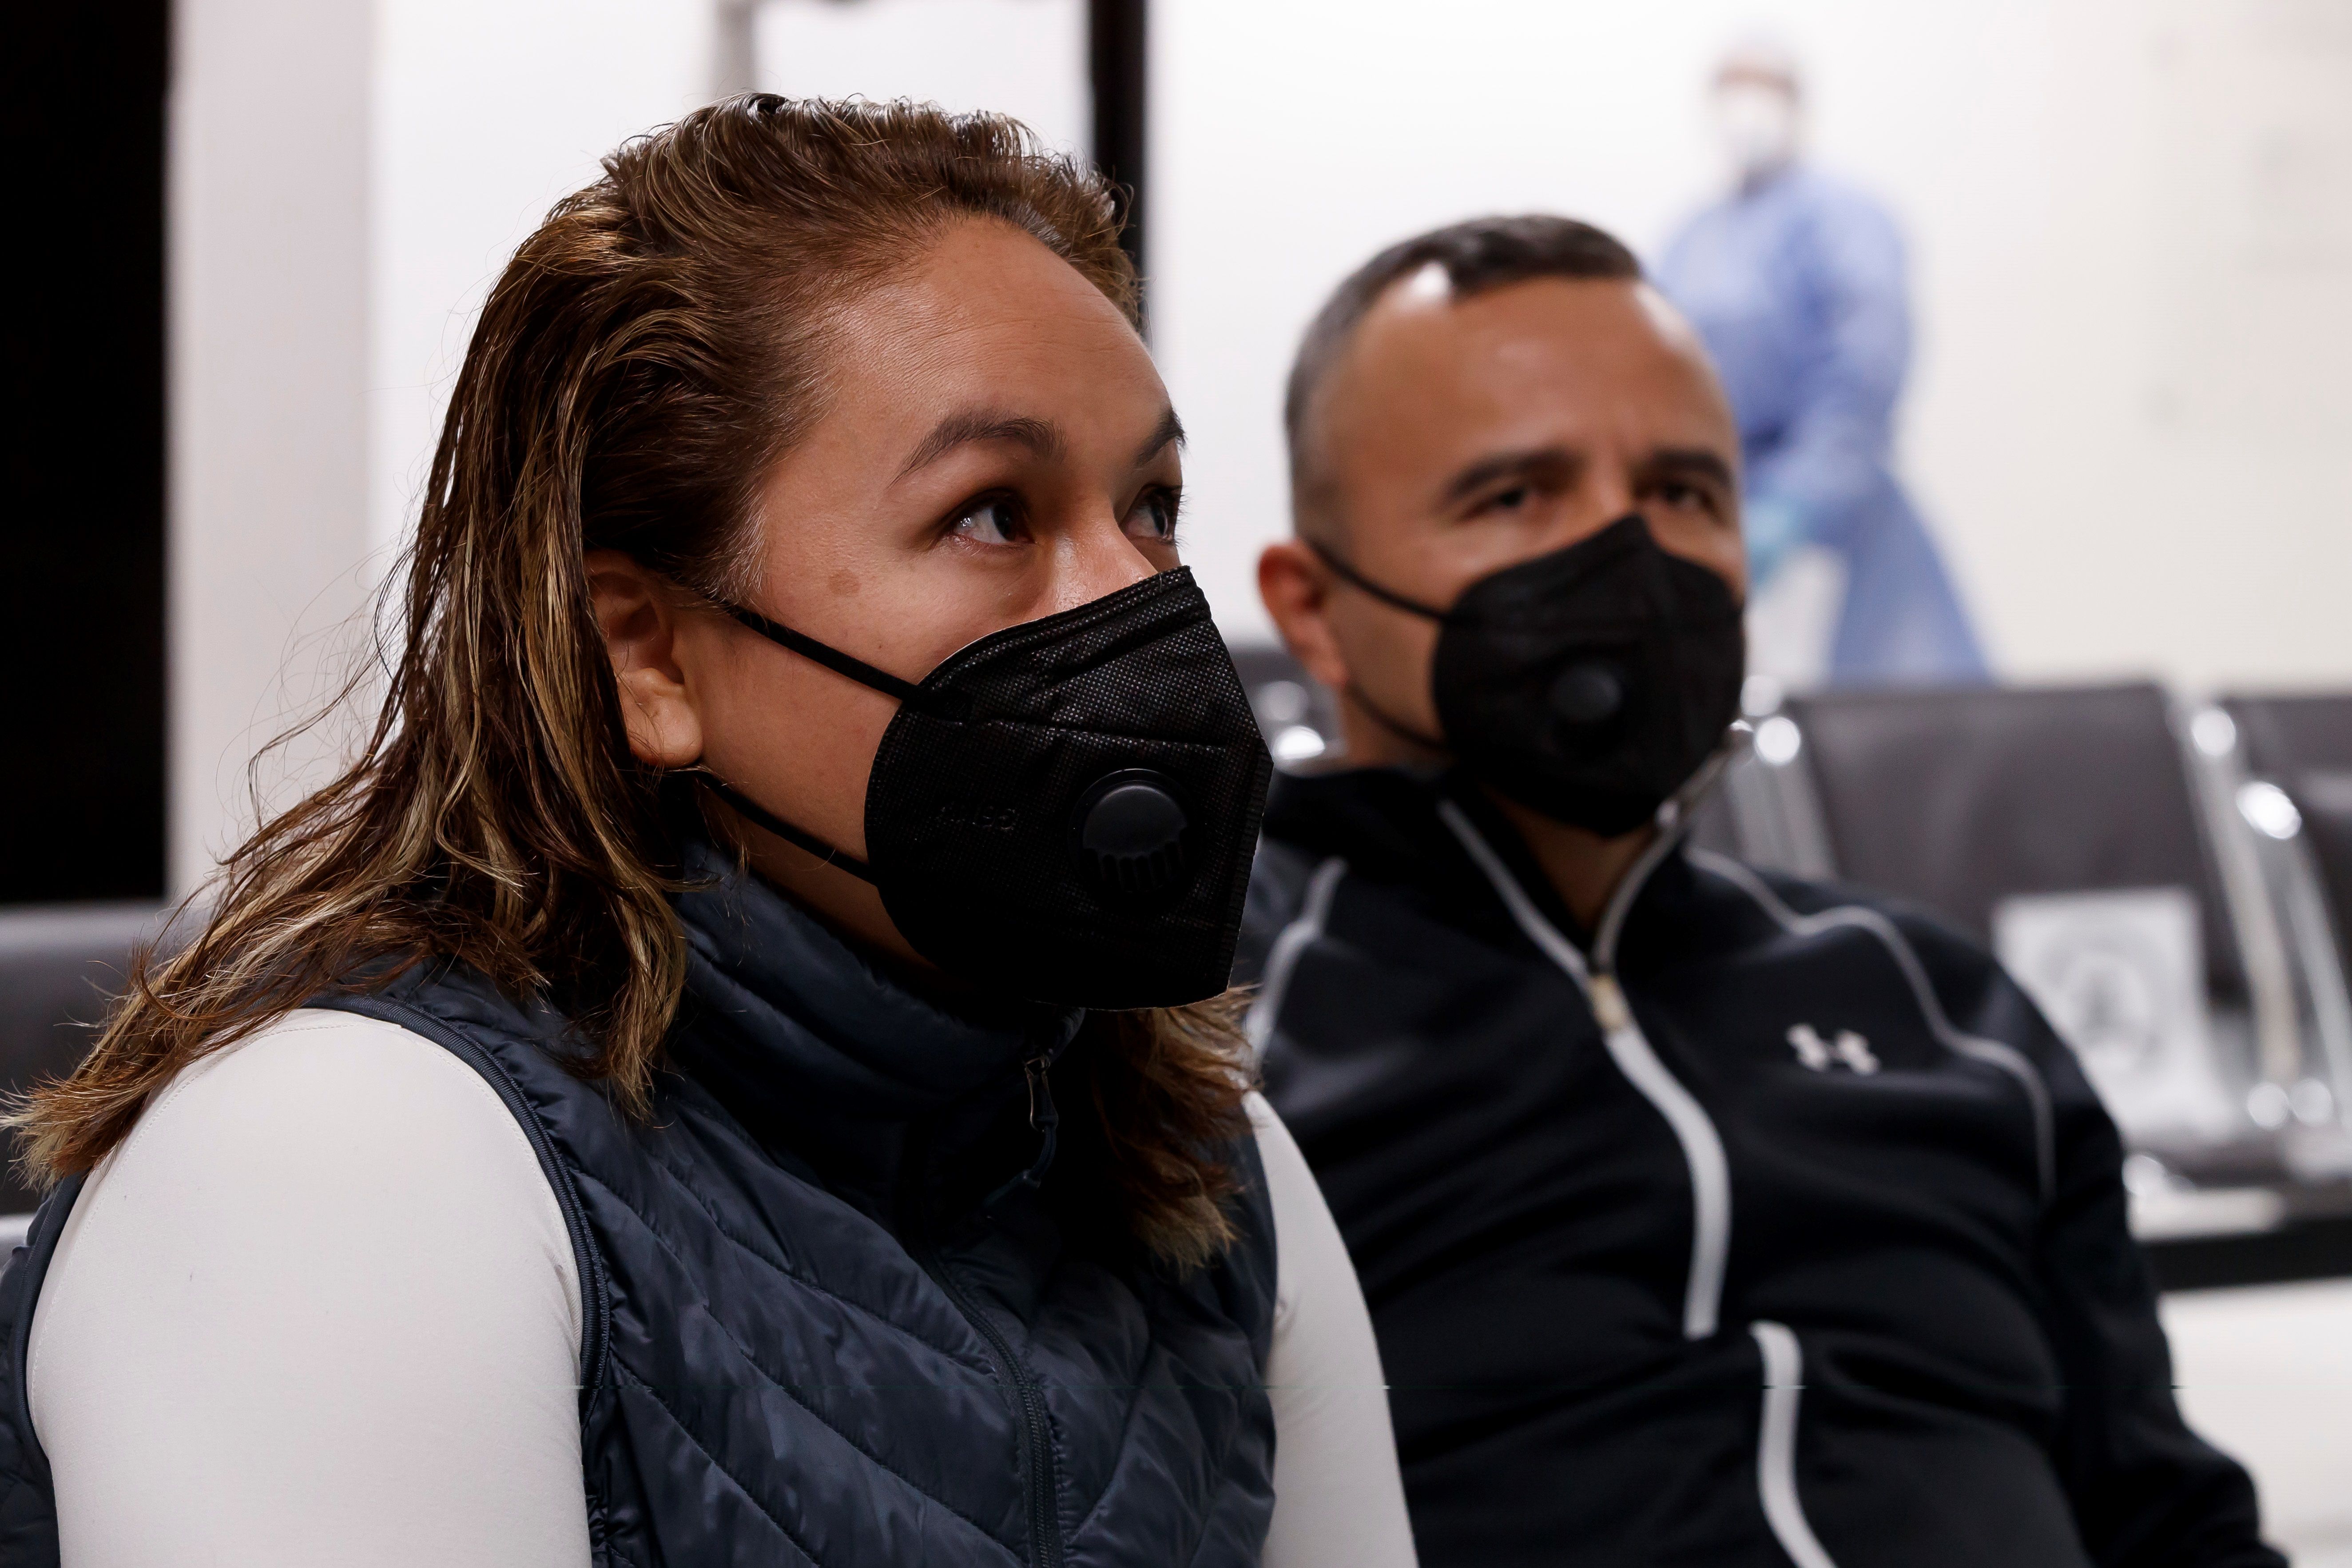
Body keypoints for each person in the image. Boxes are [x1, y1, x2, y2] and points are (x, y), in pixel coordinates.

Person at [0, 98, 1415, 1568]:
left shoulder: (1197, 1165)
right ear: (652, 657)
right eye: (992, 514)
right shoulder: (341, 1164)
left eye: (1150, 507)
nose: (1131, 606)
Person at [1243, 214, 2280, 1567]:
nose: (1628, 557)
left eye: (1683, 492)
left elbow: (2166, 1515)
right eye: (1515, 497)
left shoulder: (1939, 1003)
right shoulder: (1206, 1028)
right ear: (1313, 608)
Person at [1654, 43, 1988, 685]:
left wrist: (1798, 504)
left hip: (1828, 517)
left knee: (1866, 727)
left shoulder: (1842, 219)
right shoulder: (1691, 237)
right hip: (1713, 506)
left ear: (1797, 105)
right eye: (1732, 89)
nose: (1746, 110)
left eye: (1764, 87)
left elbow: (1866, 365)